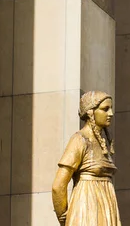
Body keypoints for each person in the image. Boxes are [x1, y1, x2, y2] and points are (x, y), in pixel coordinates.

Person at [52, 91, 121, 226]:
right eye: (105, 109)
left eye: (111, 109)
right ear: (91, 112)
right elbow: (58, 186)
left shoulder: (104, 142)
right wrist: (65, 217)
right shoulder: (79, 140)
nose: (111, 114)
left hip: (107, 207)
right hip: (86, 207)